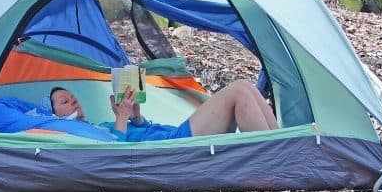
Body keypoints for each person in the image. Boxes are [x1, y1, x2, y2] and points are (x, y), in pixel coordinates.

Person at [48, 79, 278, 142]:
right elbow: (113, 152)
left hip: (169, 134)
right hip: (175, 144)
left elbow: (135, 133)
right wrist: (121, 117)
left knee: (246, 86)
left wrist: (136, 116)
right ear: (55, 115)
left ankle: (282, 144)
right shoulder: (74, 136)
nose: (73, 101)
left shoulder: (97, 126)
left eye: (72, 97)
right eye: (64, 102)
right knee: (238, 90)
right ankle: (273, 153)